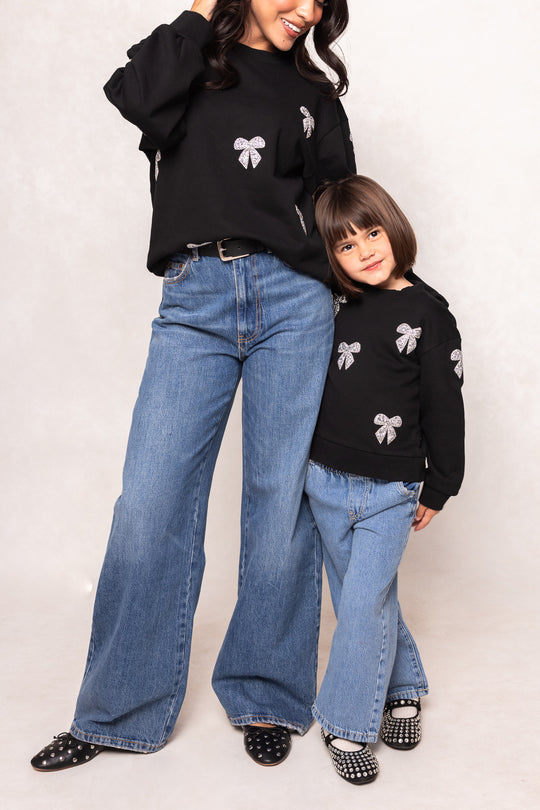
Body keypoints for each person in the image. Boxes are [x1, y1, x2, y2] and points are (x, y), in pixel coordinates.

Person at [31, 0, 355, 772]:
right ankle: (117, 711)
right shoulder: (185, 64)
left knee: (280, 501)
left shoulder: (313, 98)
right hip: (194, 297)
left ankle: (268, 694)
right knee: (151, 501)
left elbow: (342, 208)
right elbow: (132, 95)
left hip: (296, 301)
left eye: (323, 1)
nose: (308, 10)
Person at [305, 175, 464, 784]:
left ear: (393, 228)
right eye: (346, 245)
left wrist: (440, 485)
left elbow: (445, 407)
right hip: (323, 479)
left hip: (390, 491)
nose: (365, 250)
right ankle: (404, 690)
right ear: (331, 257)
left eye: (372, 232)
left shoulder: (428, 315)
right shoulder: (334, 302)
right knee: (359, 599)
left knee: (363, 602)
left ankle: (346, 724)